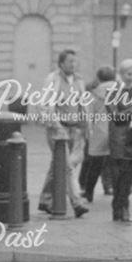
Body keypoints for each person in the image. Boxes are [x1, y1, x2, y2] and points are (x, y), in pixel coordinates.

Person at [38, 50, 89, 218]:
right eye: (70, 62)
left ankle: (45, 199)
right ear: (61, 64)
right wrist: (56, 125)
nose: (73, 65)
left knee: (58, 165)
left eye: (75, 61)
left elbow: (83, 103)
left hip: (73, 128)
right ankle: (77, 201)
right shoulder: (53, 80)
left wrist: (86, 124)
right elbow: (46, 105)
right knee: (67, 166)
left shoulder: (79, 80)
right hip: (58, 129)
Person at [107, 58, 132, 222]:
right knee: (119, 176)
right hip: (119, 139)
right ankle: (120, 207)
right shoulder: (113, 92)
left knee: (129, 176)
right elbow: (114, 116)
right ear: (121, 74)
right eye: (129, 74)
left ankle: (124, 206)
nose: (131, 77)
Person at [79, 65, 117, 202]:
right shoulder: (120, 91)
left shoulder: (93, 94)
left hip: (99, 130)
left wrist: (88, 131)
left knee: (95, 164)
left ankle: (89, 192)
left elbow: (89, 115)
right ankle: (112, 188)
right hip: (116, 130)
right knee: (114, 163)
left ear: (99, 78)